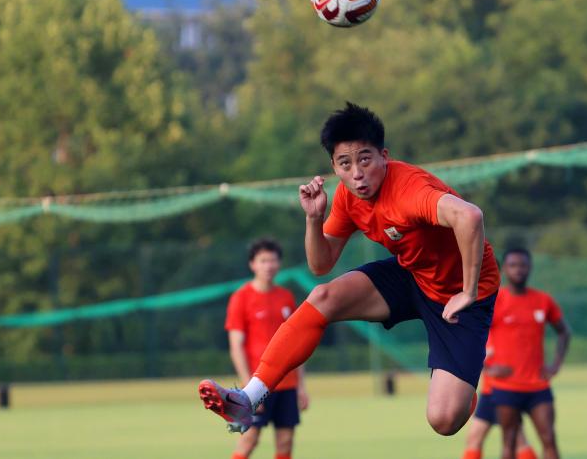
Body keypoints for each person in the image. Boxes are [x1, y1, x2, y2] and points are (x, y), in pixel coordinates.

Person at [199, 102, 500, 437]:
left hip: (462, 295)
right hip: (413, 274)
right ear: (334, 166)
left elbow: (469, 216)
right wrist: (314, 219)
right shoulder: (347, 196)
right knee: (323, 296)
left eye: (365, 159)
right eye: (345, 163)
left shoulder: (409, 189)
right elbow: (321, 264)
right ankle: (248, 398)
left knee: (443, 421)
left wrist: (468, 291)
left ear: (384, 156)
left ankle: (462, 395)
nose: (357, 173)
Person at [222, 239, 309, 459]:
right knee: (249, 439)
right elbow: (236, 346)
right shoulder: (241, 298)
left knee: (286, 440)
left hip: (287, 382)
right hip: (257, 382)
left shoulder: (286, 297)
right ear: (252, 264)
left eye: (273, 260)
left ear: (279, 264)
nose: (269, 266)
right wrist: (247, 388)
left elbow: (297, 343)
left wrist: (301, 386)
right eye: (263, 261)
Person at [488, 248, 571, 459]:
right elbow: (472, 336)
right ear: (504, 269)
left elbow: (564, 332)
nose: (518, 270)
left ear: (530, 268)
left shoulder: (543, 300)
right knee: (509, 442)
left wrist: (555, 365)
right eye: (513, 265)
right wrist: (486, 366)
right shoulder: (495, 301)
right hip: (506, 386)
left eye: (523, 265)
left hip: (538, 385)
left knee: (549, 438)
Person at [462, 347, 537, 459]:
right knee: (474, 438)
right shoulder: (484, 337)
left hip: (507, 392)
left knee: (519, 441)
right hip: (489, 393)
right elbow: (472, 359)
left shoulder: (506, 338)